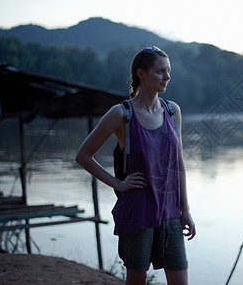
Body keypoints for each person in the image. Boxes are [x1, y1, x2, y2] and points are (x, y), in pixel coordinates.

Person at [75, 46, 196, 285]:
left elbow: (178, 163)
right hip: (138, 209)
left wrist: (186, 209)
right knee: (137, 279)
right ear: (141, 74)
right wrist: (118, 183)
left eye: (168, 71)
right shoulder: (121, 114)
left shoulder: (173, 111)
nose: (167, 77)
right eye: (160, 71)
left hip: (170, 210)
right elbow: (84, 155)